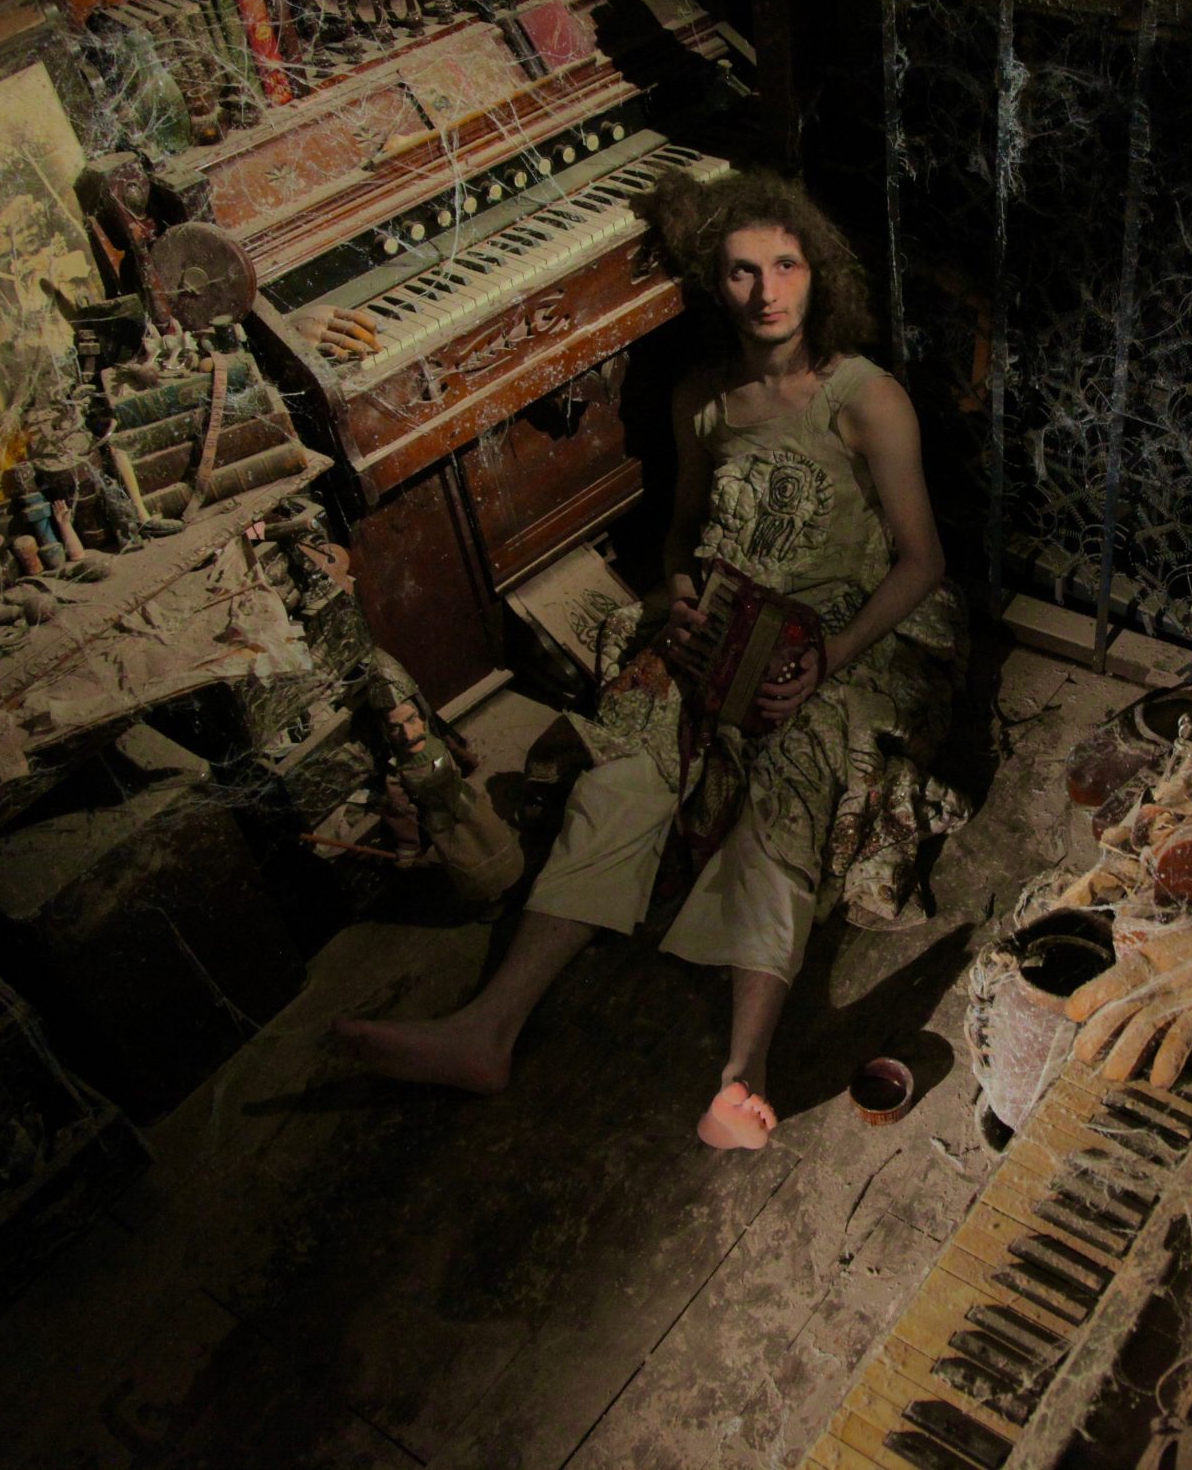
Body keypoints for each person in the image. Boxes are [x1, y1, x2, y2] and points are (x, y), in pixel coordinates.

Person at [333, 169, 964, 1150]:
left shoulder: (866, 399)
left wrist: (828, 657)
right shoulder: (700, 399)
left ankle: (741, 1074)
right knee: (621, 778)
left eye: (784, 265)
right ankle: (484, 1029)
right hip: (720, 627)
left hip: (841, 633)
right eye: (742, 272)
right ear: (719, 287)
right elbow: (676, 538)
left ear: (817, 274)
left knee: (783, 794)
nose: (766, 290)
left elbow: (922, 562)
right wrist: (676, 598)